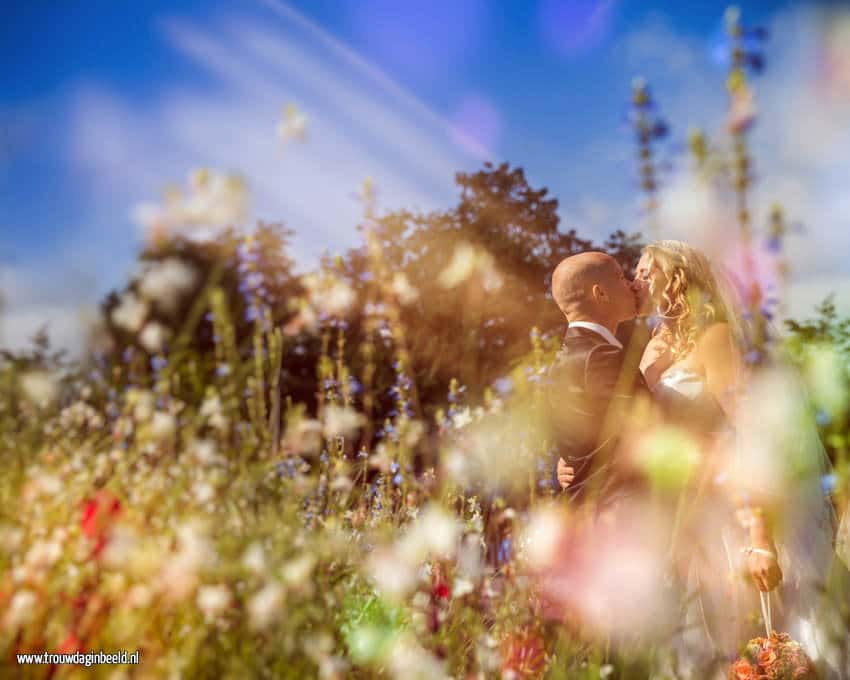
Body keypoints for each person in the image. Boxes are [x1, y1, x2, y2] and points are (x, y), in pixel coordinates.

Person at [630, 240, 839, 677]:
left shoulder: (716, 337)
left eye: (648, 271)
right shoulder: (646, 345)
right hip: (688, 511)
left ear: (678, 279)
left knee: (769, 639)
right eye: (637, 271)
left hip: (733, 511)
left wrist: (758, 535)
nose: (637, 279)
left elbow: (748, 434)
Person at [545, 251, 651, 507]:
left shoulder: (563, 360)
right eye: (619, 276)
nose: (630, 282)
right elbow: (650, 429)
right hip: (617, 516)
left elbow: (584, 442)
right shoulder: (600, 355)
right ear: (600, 293)